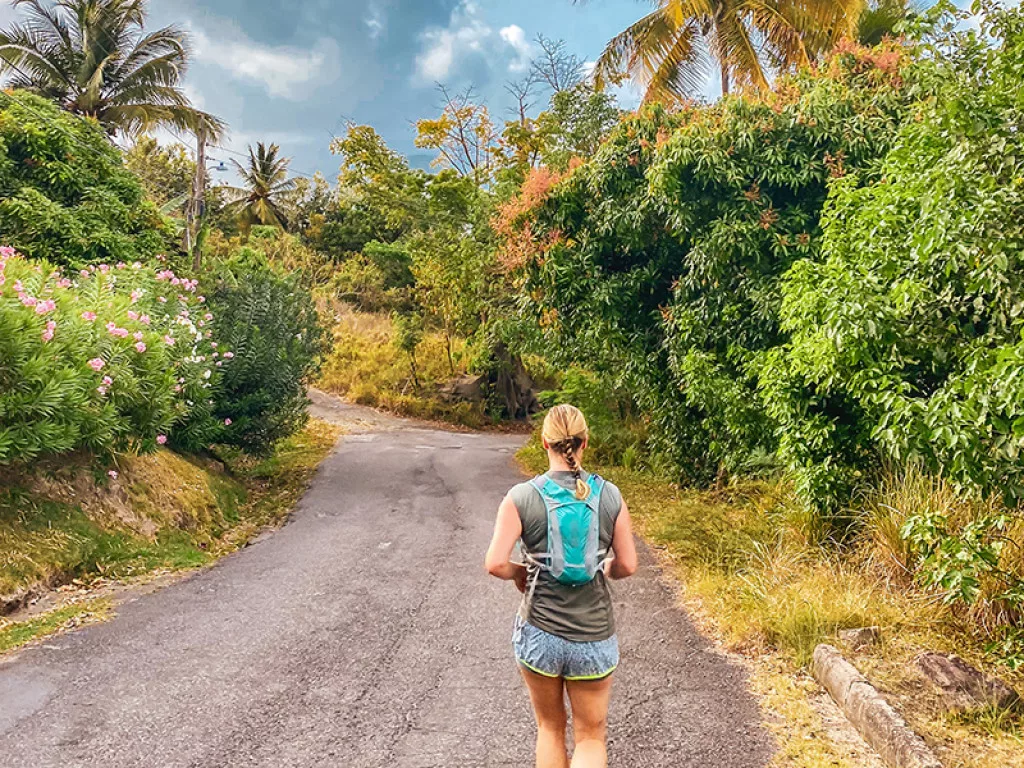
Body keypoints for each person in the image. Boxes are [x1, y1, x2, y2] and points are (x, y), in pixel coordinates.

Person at [485, 404, 638, 768]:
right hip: (594, 634)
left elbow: (494, 563)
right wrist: (606, 568)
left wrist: (520, 573)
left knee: (550, 728)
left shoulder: (521, 497)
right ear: (584, 443)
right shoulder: (610, 496)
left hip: (540, 632)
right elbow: (628, 565)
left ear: (544, 443)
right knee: (590, 736)